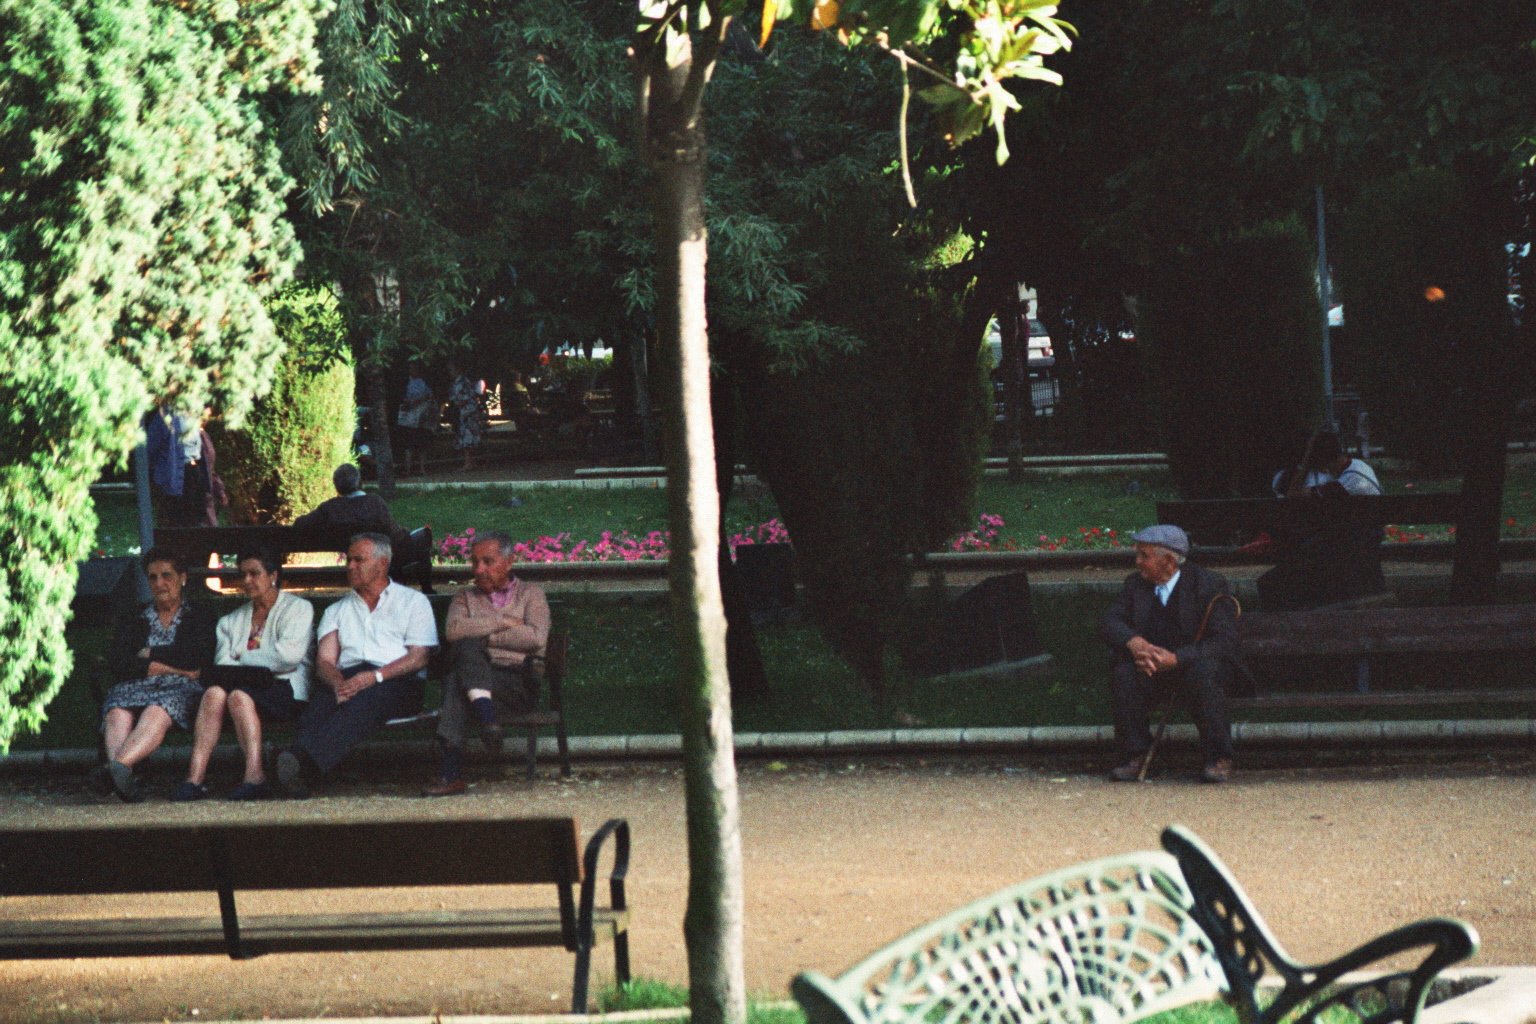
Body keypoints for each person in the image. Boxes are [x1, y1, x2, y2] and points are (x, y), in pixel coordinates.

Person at [274, 533, 438, 798]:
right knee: (322, 704)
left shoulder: (413, 602)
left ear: (382, 564)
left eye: (358, 560)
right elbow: (325, 661)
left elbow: (418, 658)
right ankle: (296, 770)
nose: (350, 566)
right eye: (348, 560)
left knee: (366, 701)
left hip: (398, 680)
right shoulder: (336, 610)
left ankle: (301, 764)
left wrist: (374, 677)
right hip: (347, 676)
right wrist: (339, 684)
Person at [1100, 525, 1238, 784]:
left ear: (1169, 560)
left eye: (1144, 555)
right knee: (1125, 673)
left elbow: (1223, 641)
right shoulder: (1135, 584)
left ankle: (1219, 758)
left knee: (1205, 674)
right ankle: (1136, 756)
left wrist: (1177, 658)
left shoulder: (1208, 584)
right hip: (1152, 670)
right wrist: (1135, 642)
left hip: (1194, 666)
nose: (1137, 561)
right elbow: (1110, 621)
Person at [175, 548, 314, 801]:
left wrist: (243, 655)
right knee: (214, 692)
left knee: (238, 695)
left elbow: (287, 657)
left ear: (273, 575)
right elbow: (222, 665)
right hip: (241, 689)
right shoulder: (230, 621)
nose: (247, 580)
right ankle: (194, 779)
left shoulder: (298, 609)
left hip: (286, 688)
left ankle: (254, 776)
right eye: (243, 574)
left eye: (254, 573)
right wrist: (255, 661)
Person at [422, 531, 550, 797]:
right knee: (465, 648)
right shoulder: (464, 597)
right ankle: (487, 717)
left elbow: (535, 637)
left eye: (488, 562)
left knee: (460, 671)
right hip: (480, 680)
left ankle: (450, 772)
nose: (479, 569)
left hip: (515, 682)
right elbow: (454, 631)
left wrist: (484, 638)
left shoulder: (531, 595)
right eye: (475, 562)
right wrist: (504, 622)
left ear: (509, 561)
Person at [91, 548, 217, 802]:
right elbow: (118, 660)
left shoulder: (199, 616)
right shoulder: (135, 617)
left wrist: (151, 653)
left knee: (156, 710)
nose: (160, 584)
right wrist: (158, 667)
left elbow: (197, 655)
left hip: (178, 690)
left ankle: (116, 769)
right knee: (117, 711)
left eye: (166, 576)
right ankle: (122, 775)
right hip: (135, 684)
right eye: (153, 577)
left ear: (183, 577)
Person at [1259, 430, 1385, 610]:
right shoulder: (1358, 468)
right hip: (1358, 540)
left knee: (1284, 575)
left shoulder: (1350, 482)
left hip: (1350, 544)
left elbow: (1293, 495)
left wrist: (1304, 463)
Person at [293, 463, 433, 591]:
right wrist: (405, 533)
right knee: (423, 537)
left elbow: (300, 524)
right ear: (360, 482)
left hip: (358, 553)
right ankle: (428, 590)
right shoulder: (375, 502)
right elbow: (394, 533)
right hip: (386, 555)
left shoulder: (331, 507)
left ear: (337, 486)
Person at [145, 407, 227, 528]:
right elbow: (150, 452)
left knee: (200, 521)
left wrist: (218, 489)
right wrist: (161, 477)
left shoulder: (196, 423)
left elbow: (208, 464)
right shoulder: (165, 418)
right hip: (177, 477)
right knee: (179, 523)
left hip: (195, 473)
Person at [394, 364, 435, 476]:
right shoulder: (405, 383)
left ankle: (422, 469)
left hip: (420, 417)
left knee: (421, 444)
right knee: (408, 445)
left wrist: (420, 401)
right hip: (408, 418)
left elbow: (430, 396)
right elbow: (401, 398)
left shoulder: (423, 383)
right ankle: (408, 469)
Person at [447, 360, 486, 471]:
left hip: (468, 412)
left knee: (468, 437)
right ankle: (470, 462)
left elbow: (468, 396)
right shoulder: (455, 382)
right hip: (461, 412)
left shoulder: (464, 382)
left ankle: (469, 463)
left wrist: (459, 402)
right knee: (464, 436)